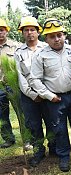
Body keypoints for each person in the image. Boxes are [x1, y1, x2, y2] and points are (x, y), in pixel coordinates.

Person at [30, 18, 71, 172]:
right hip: (54, 98)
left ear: (64, 35)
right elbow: (34, 79)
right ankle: (64, 156)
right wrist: (48, 95)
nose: (57, 39)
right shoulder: (40, 55)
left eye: (59, 35)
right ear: (46, 39)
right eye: (52, 36)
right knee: (59, 128)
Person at [14, 16, 56, 167]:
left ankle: (54, 149)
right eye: (26, 30)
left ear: (38, 32)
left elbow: (51, 72)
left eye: (33, 29)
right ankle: (38, 152)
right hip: (29, 96)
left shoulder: (47, 47)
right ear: (22, 33)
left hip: (47, 92)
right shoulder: (18, 52)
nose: (30, 33)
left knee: (51, 121)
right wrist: (32, 94)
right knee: (34, 125)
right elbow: (21, 76)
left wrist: (44, 93)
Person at [0, 18, 20, 149]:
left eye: (1, 30)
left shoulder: (16, 46)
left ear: (6, 31)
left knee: (21, 113)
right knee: (1, 115)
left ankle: (28, 138)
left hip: (14, 85)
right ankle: (8, 138)